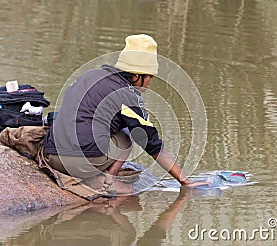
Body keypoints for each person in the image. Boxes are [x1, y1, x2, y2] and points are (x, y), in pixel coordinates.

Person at [42, 34, 209, 194]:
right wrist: (185, 181)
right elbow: (152, 144)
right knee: (127, 137)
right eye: (149, 77)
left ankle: (100, 174)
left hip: (51, 156)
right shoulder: (126, 95)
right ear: (136, 75)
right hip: (77, 164)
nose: (150, 82)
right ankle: (108, 180)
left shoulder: (90, 75)